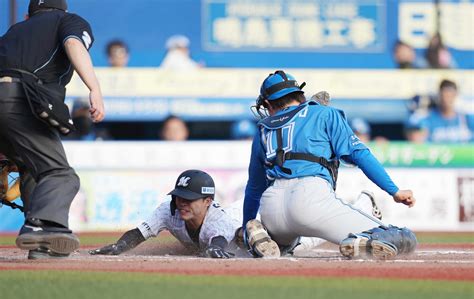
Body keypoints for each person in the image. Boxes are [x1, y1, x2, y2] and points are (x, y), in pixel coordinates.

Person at [241, 70, 417, 260]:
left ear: (268, 103)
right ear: (298, 94)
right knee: (403, 238)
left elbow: (254, 188)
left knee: (286, 248)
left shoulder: (263, 129)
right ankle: (358, 240)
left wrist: (245, 227)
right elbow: (359, 154)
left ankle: (264, 238)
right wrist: (394, 191)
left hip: (272, 209)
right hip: (310, 198)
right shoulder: (324, 113)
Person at [0, 0, 105, 259]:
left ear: (28, 15)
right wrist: (95, 88)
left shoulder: (14, 32)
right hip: (18, 100)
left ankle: (42, 245)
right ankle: (41, 227)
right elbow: (73, 43)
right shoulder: (67, 20)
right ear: (63, 10)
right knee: (60, 174)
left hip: (9, 102)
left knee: (33, 169)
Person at [89, 170, 239, 258]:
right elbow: (139, 233)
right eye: (179, 197)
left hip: (243, 222)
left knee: (252, 231)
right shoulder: (169, 210)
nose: (182, 203)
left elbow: (218, 243)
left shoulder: (219, 219)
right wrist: (119, 246)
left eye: (189, 199)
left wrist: (215, 249)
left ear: (207, 201)